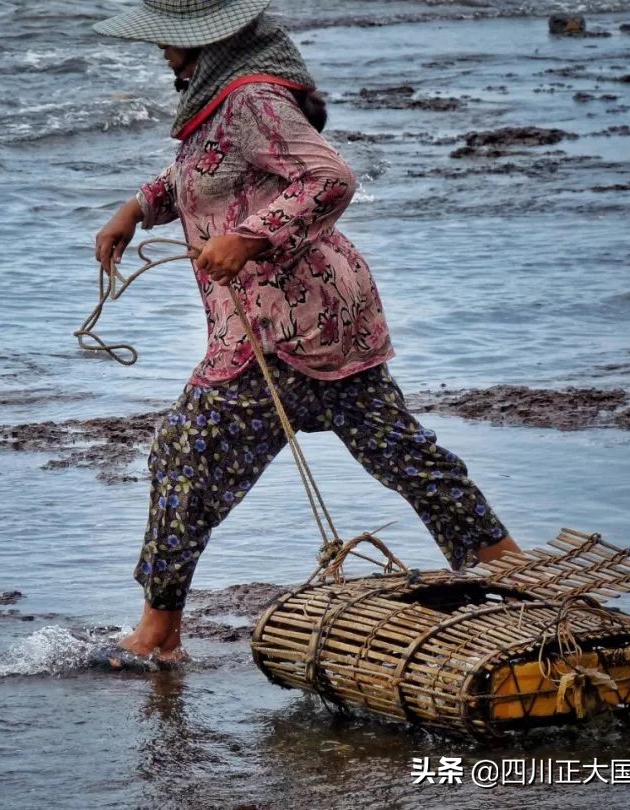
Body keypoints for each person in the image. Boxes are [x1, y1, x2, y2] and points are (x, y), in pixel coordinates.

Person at [92, 0, 521, 665]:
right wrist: (136, 210)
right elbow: (203, 172)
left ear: (210, 44)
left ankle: (158, 636)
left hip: (281, 329)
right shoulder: (224, 106)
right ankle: (514, 573)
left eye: (169, 42)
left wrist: (248, 237)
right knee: (404, 455)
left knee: (183, 456)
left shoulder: (252, 101)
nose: (162, 52)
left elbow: (330, 177)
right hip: (322, 320)